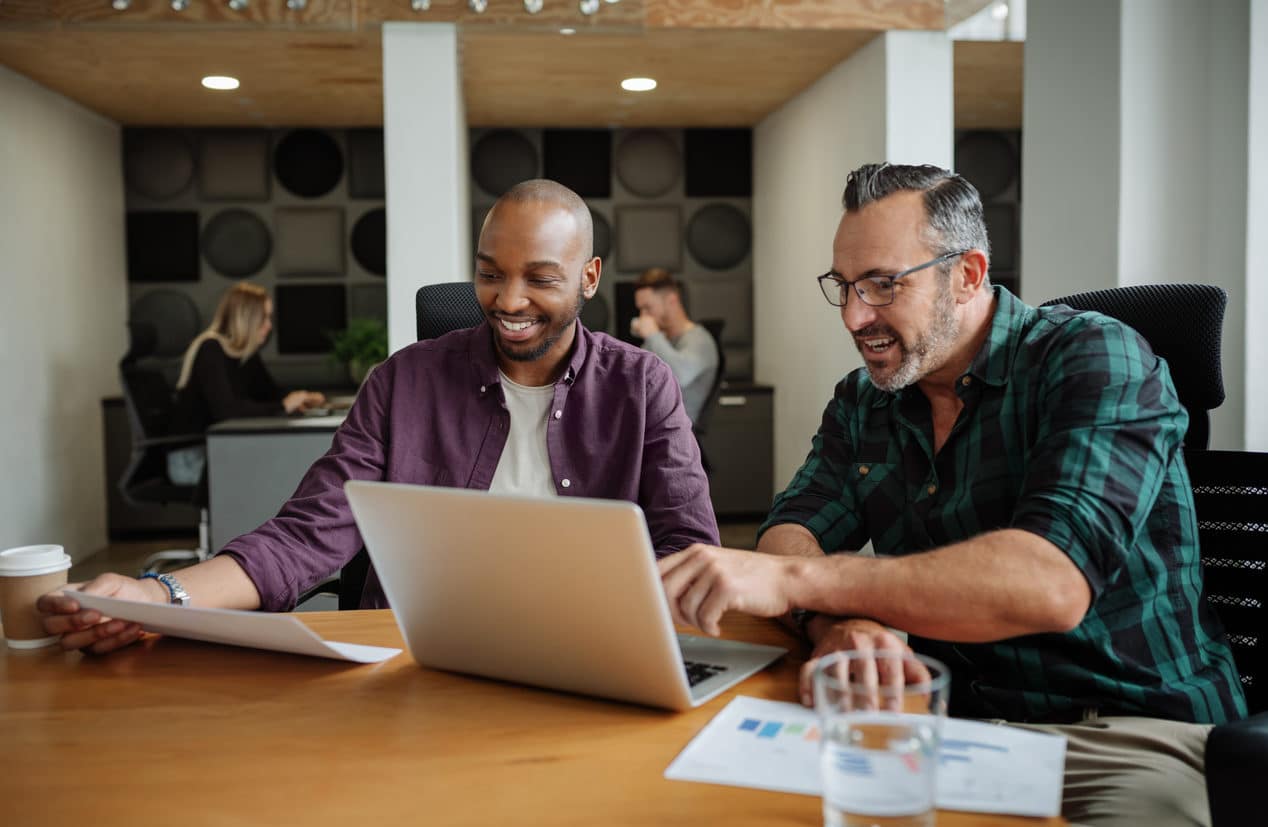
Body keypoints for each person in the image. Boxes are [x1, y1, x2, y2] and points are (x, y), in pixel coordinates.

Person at [658, 163, 1244, 827]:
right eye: (844, 286)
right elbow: (791, 528)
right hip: (951, 729)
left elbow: (1049, 584)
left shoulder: (1096, 358)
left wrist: (798, 580)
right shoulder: (863, 402)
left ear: (966, 273)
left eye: (882, 284)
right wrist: (841, 625)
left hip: (1129, 734)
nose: (855, 316)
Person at [41, 179, 718, 651]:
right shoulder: (404, 381)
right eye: (489, 273)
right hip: (420, 657)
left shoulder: (642, 384)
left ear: (589, 277)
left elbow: (690, 550)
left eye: (540, 277)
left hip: (590, 647)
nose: (509, 300)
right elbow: (307, 535)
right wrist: (159, 597)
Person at [165, 282, 326, 483]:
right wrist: (284, 406)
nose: (269, 325)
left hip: (220, 450)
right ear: (247, 319)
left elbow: (270, 392)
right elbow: (228, 411)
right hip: (192, 458)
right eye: (264, 318)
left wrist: (303, 398)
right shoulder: (211, 349)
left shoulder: (246, 355)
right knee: (276, 474)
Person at [630, 268, 720, 425]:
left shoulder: (700, 340)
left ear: (672, 300)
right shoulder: (662, 339)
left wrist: (652, 335)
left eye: (648, 308)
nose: (643, 316)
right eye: (640, 309)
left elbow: (678, 376)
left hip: (675, 435)